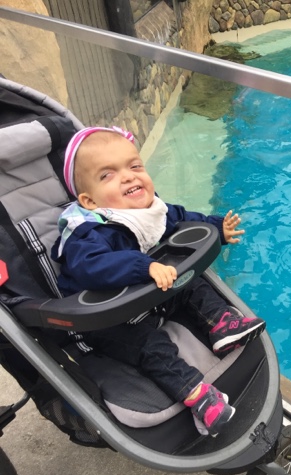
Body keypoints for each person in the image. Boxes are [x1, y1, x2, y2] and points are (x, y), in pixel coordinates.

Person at [51, 126, 266, 437]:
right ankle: (199, 396)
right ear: (90, 200)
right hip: (110, 321)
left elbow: (180, 217)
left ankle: (221, 324)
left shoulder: (148, 210)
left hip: (150, 297)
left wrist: (216, 228)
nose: (128, 177)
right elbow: (92, 267)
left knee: (191, 281)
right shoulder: (87, 233)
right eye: (108, 175)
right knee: (152, 348)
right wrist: (145, 266)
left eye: (135, 166)